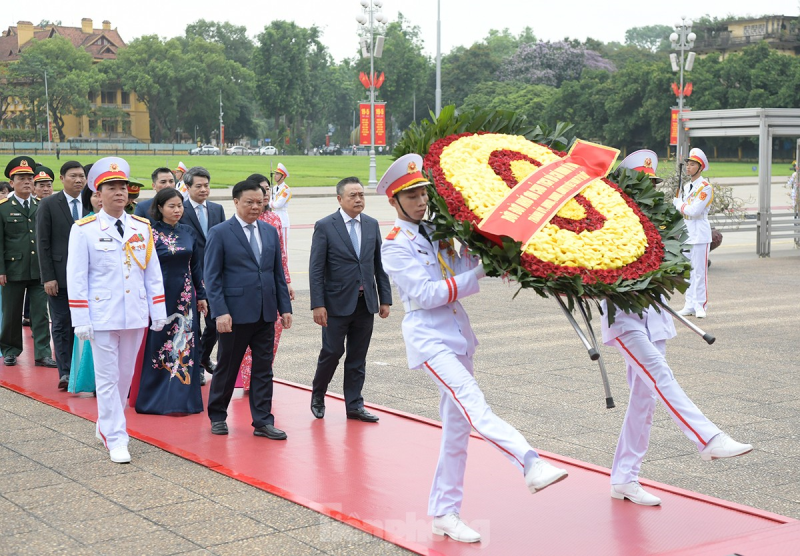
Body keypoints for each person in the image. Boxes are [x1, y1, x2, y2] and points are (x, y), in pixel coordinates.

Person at [379, 154, 568, 544]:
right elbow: (427, 294)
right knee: (472, 402)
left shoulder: (439, 230)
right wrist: (478, 272)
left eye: (422, 194)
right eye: (410, 196)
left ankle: (444, 512)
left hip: (458, 333)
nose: (419, 202)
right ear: (394, 202)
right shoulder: (395, 245)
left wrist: (500, 254)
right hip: (428, 337)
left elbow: (469, 260)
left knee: (457, 431)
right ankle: (529, 463)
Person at [605, 151, 753, 506]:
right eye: (642, 184)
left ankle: (625, 478)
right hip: (624, 319)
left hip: (655, 319)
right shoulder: (608, 223)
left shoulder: (656, 222)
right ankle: (708, 439)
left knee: (644, 403)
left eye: (652, 184)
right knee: (661, 375)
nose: (649, 190)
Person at [67, 157, 167, 463]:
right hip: (102, 314)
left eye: (123, 186)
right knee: (107, 377)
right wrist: (80, 318)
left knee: (124, 375)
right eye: (111, 187)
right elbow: (77, 276)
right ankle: (116, 436)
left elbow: (152, 271)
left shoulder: (141, 226)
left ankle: (105, 424)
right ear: (98, 194)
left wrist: (158, 309)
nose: (119, 192)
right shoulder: (83, 230)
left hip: (134, 312)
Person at [204, 179, 292, 440]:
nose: (255, 207)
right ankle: (218, 415)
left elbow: (276, 272)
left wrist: (284, 308)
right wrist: (220, 312)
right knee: (227, 367)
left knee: (263, 369)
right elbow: (213, 277)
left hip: (265, 313)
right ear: (235, 202)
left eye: (259, 201)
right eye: (249, 202)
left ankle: (263, 421)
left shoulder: (268, 231)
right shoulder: (220, 232)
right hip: (234, 314)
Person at [309, 177, 391, 422]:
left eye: (361, 195)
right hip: (335, 304)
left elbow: (379, 264)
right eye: (353, 195)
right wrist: (318, 304)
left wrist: (384, 298)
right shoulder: (325, 226)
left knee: (357, 357)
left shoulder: (371, 224)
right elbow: (316, 269)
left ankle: (354, 405)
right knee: (332, 352)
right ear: (339, 199)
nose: (358, 199)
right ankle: (318, 395)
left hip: (365, 303)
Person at [132, 188, 207, 414]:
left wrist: (201, 295)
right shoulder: (149, 232)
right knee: (159, 346)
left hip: (185, 299)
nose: (177, 210)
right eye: (171, 206)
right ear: (160, 208)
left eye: (180, 206)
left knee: (185, 345)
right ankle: (154, 399)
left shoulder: (188, 232)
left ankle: (182, 399)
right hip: (159, 296)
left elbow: (196, 267)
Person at [236, 174, 294, 392]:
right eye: (261, 190)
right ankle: (248, 378)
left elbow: (281, 256)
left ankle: (261, 375)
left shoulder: (274, 220)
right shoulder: (239, 223)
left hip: (271, 287)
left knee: (273, 332)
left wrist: (286, 282)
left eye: (267, 190)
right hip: (247, 290)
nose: (266, 193)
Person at [0, 156, 56, 369]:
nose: (26, 182)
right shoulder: (3, 207)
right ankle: (10, 350)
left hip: (39, 269)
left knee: (41, 313)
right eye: (21, 178)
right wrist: (1, 269)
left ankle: (42, 353)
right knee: (11, 313)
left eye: (29, 178)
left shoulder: (42, 205)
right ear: (11, 182)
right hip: (13, 269)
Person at [37, 161, 88, 390]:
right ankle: (65, 371)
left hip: (87, 277)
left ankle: (85, 371)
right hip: (59, 276)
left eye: (82, 176)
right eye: (73, 176)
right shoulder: (49, 204)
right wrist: (48, 277)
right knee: (61, 322)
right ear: (62, 178)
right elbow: (43, 243)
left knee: (84, 325)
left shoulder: (92, 203)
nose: (79, 180)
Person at [178, 166, 225, 379]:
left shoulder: (217, 209)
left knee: (215, 322)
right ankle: (195, 367)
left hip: (215, 274)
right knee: (193, 322)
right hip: (190, 273)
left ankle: (203, 356)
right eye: (198, 186)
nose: (204, 189)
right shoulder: (180, 210)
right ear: (187, 187)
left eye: (206, 185)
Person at [67, 185, 103, 395]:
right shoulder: (84, 225)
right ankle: (88, 381)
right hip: (91, 293)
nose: (100, 200)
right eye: (95, 196)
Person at [674, 148, 713, 318]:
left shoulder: (705, 187)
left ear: (700, 167)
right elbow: (685, 211)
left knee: (699, 271)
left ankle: (700, 305)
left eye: (692, 164)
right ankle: (689, 304)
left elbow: (695, 211)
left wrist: (679, 204)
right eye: (688, 164)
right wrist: (681, 206)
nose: (688, 167)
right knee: (687, 271)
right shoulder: (686, 186)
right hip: (687, 232)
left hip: (699, 232)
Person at [269, 163, 291, 258]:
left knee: (283, 248)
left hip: (282, 218)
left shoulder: (286, 189)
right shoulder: (274, 188)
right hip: (274, 217)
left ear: (283, 177)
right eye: (275, 174)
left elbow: (278, 205)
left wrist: (270, 202)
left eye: (278, 174)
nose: (275, 176)